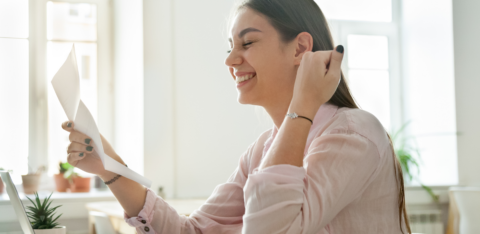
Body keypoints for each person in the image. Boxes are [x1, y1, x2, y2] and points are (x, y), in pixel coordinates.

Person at [62, 0, 411, 233]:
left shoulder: (353, 135)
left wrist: (303, 104)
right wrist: (111, 166)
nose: (231, 60)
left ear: (301, 49)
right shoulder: (264, 150)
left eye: (247, 43)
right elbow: (193, 231)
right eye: (230, 46)